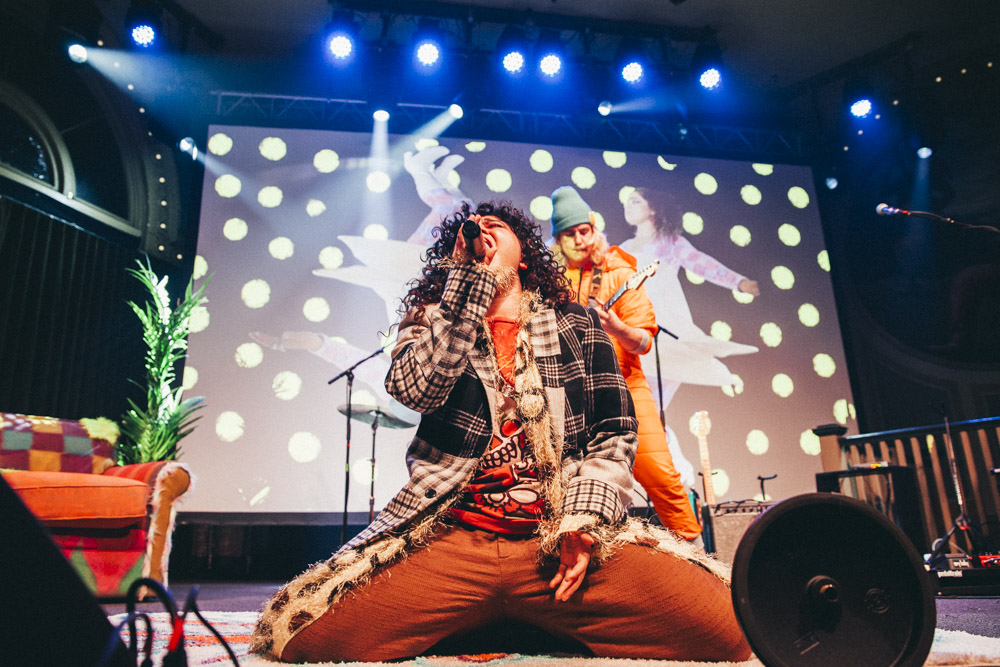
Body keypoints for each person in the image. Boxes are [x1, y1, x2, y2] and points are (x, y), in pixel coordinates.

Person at [250, 201, 750, 663]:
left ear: (526, 256)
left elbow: (614, 435)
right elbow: (415, 390)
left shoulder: (577, 323)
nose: (483, 231)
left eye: (497, 226)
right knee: (302, 637)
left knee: (730, 628)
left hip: (559, 539)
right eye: (473, 230)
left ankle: (510, 617)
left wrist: (583, 521)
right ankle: (500, 616)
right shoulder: (429, 320)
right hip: (453, 538)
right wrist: (466, 289)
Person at [549, 186, 703, 541]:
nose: (579, 240)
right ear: (558, 240)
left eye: (583, 231)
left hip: (625, 389)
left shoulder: (620, 272)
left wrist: (617, 328)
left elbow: (645, 341)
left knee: (661, 476)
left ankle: (700, 559)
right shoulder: (552, 282)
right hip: (571, 398)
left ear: (593, 228)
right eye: (569, 234)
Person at [619, 187, 760, 410]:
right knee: (630, 399)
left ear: (653, 207)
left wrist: (738, 282)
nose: (628, 206)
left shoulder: (670, 243)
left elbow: (701, 263)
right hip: (633, 328)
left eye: (635, 201)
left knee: (653, 404)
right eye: (627, 202)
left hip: (663, 327)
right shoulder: (623, 249)